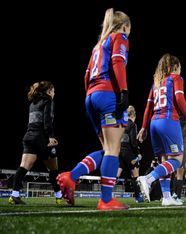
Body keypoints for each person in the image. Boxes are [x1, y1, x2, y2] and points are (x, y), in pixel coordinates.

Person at [56, 8, 131, 210]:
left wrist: (92, 95)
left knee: (107, 149)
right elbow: (117, 62)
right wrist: (123, 91)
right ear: (125, 26)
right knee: (114, 149)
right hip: (108, 95)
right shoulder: (120, 37)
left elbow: (86, 75)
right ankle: (106, 200)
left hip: (91, 96)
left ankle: (71, 177)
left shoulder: (97, 46)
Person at [137, 53, 186, 206]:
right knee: (177, 160)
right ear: (174, 67)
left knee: (165, 161)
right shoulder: (176, 78)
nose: (180, 72)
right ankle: (148, 179)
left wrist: (143, 127)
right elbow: (179, 98)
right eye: (179, 68)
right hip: (168, 121)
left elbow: (148, 107)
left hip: (154, 123)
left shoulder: (155, 83)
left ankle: (166, 197)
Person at [9, 81, 60, 205]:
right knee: (53, 169)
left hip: (29, 137)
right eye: (53, 90)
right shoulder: (48, 100)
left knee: (23, 167)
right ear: (49, 91)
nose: (54, 93)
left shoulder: (33, 103)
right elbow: (47, 120)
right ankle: (59, 197)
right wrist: (51, 137)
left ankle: (14, 196)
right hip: (42, 138)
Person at [117, 105, 144, 203]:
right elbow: (133, 142)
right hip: (129, 153)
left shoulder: (121, 124)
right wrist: (138, 154)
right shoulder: (132, 125)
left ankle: (105, 194)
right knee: (135, 175)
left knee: (117, 174)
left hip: (120, 151)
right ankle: (138, 197)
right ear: (133, 115)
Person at [172, 114, 186, 203]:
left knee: (175, 175)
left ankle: (173, 194)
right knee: (179, 175)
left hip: (173, 152)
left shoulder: (173, 127)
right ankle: (178, 197)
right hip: (181, 153)